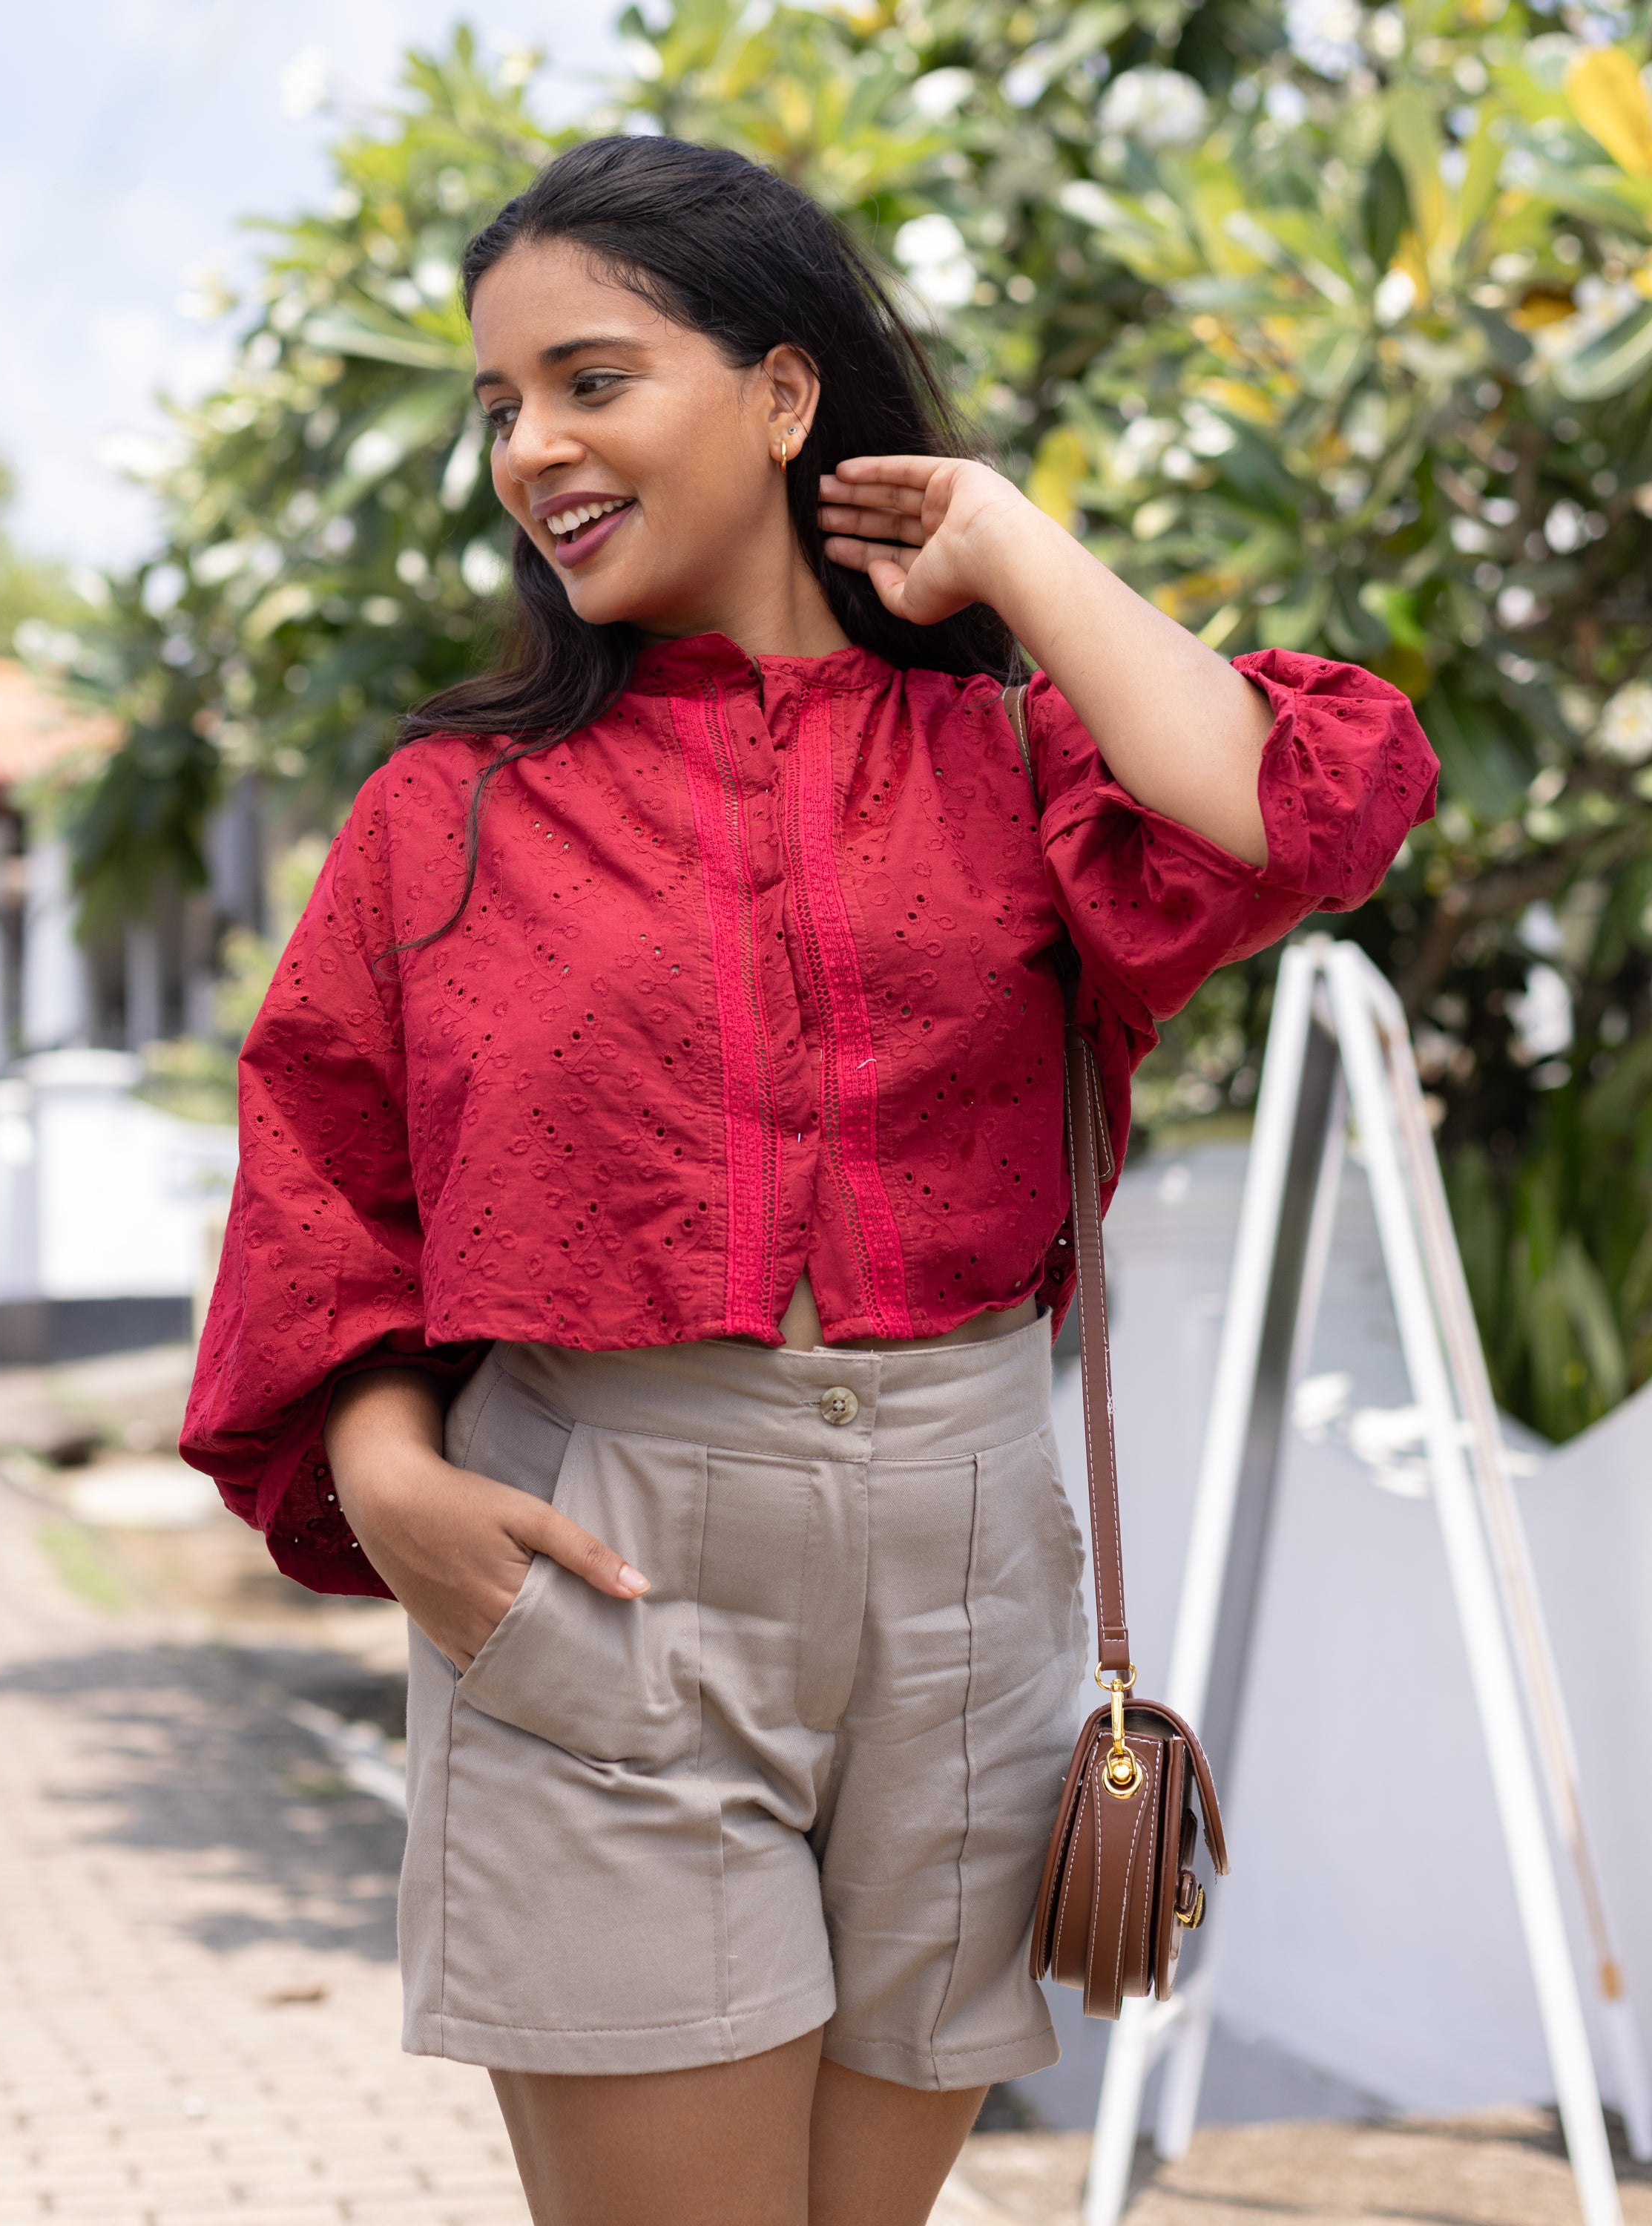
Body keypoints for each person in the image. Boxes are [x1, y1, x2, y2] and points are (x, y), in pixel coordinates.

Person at [182, 135, 1436, 2226]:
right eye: (501, 406)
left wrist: (1010, 544)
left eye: (591, 379)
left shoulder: (1021, 767)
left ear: (785, 396)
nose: (532, 450)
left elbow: (1289, 807)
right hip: (608, 1568)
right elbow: (327, 1173)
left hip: (967, 1582)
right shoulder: (450, 813)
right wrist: (387, 1476)